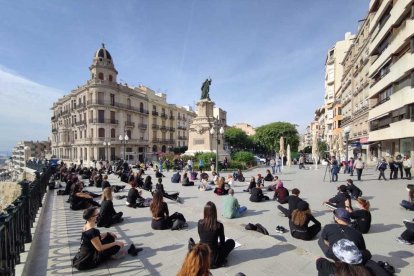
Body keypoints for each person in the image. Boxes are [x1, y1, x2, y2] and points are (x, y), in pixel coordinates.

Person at [198, 201, 235, 268]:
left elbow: (201, 236)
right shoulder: (219, 225)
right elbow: (222, 242)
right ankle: (222, 259)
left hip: (202, 257)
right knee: (231, 242)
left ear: (205, 212)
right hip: (214, 260)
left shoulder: (199, 223)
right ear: (215, 212)